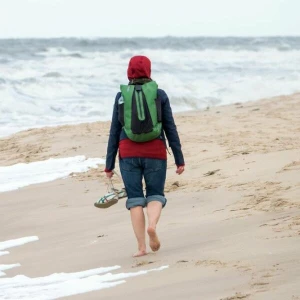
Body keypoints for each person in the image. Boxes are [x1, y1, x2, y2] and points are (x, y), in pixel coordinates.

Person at [105, 55, 185, 257]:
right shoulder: (159, 94)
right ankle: (153, 225)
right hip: (155, 152)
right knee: (155, 194)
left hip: (128, 153)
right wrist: (179, 158)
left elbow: (114, 130)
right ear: (149, 71)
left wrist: (109, 164)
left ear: (129, 72)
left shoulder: (120, 96)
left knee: (135, 200)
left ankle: (141, 248)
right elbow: (170, 127)